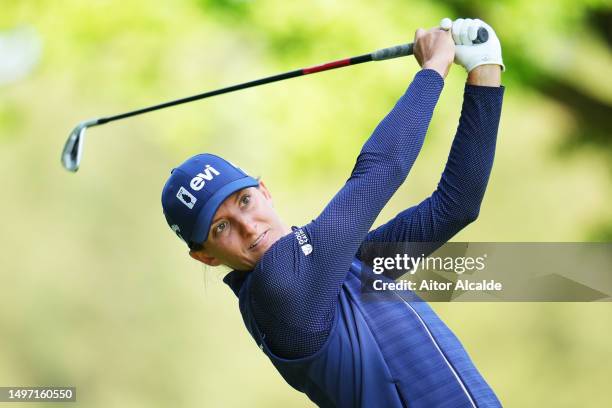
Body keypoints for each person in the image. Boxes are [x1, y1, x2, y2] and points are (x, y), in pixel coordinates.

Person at [161, 17, 505, 408]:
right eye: (221, 227)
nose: (247, 226)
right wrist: (434, 69)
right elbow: (379, 172)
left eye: (244, 201)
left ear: (264, 192)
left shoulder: (342, 269)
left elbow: (455, 206)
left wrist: (484, 69)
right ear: (205, 255)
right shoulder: (278, 291)